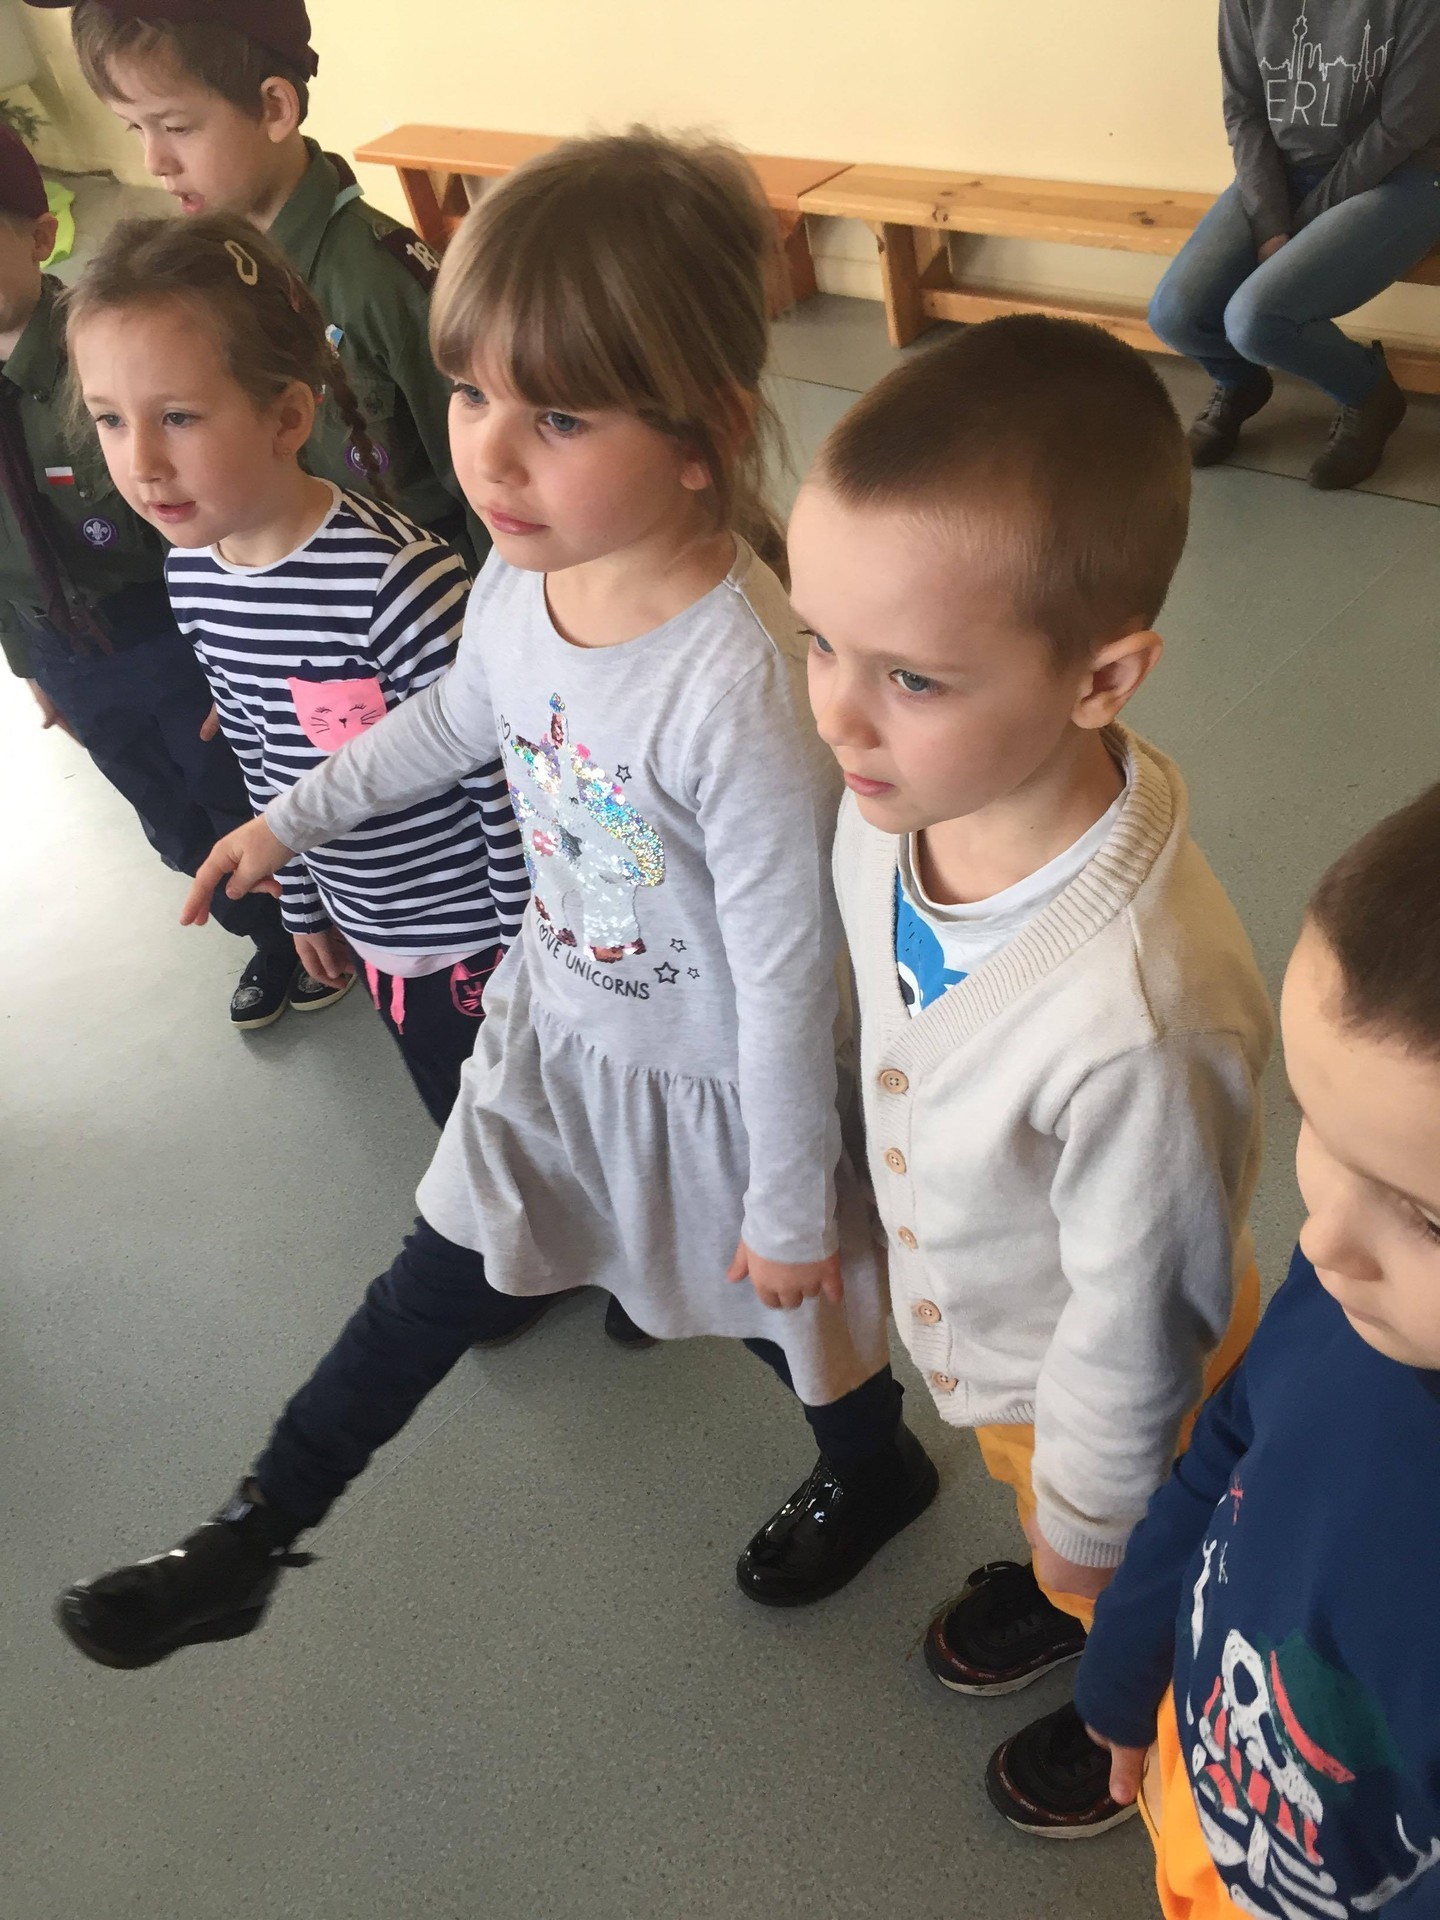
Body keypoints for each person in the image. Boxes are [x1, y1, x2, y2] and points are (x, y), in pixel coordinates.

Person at [52, 131, 936, 1671]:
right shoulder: (531, 573)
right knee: (428, 1278)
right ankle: (253, 1533)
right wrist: (289, 818)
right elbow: (461, 718)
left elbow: (791, 977)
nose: (493, 457)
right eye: (470, 394)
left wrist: (793, 1203)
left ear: (706, 433)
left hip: (715, 1082)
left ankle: (877, 1466)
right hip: (554, 1025)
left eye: (560, 414)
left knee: (779, 1317)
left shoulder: (737, 688)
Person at [787, 316, 1274, 1838]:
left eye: (912, 677)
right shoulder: (895, 801)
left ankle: (1136, 1695)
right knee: (1047, 1501)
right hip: (1013, 1352)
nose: (836, 713)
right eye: (818, 642)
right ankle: (1073, 1578)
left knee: (1142, 1569)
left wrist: (1092, 1520)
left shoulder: (1144, 1016)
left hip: (1128, 1399)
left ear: (1100, 677)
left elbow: (1136, 1324)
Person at [64, 210, 526, 1126]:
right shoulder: (193, 572)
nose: (141, 463)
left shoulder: (397, 582)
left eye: (178, 417)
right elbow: (260, 747)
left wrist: (524, 949)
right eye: (111, 420)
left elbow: (499, 778)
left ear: (286, 417)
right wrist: (307, 905)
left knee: (518, 1126)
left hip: (477, 935)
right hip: (371, 924)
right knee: (455, 1119)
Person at [1079, 788, 1440, 1918]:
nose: (1323, 1239)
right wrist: (1128, 1661)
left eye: (1430, 1220)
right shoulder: (1356, 1291)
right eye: (1319, 1128)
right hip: (1210, 1787)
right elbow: (1226, 1451)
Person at [0, 122, 332, 1028]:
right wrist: (27, 664)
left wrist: (239, 663)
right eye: (111, 422)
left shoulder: (113, 354)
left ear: (38, 237)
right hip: (63, 651)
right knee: (167, 817)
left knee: (232, 791)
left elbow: (220, 518)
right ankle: (266, 939)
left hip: (168, 635)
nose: (131, 438)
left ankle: (311, 925)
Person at [27, 0, 486, 563]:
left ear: (274, 107)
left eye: (176, 127)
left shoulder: (382, 282)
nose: (154, 161)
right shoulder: (191, 283)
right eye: (136, 128)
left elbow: (488, 490)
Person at [1150, 1, 1440, 491]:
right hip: (1285, 172)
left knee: (1257, 320)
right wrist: (1270, 222)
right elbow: (1244, 109)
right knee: (1174, 315)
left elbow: (1403, 127)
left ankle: (1370, 395)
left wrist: (1301, 224)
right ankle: (1240, 383)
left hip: (1404, 176)